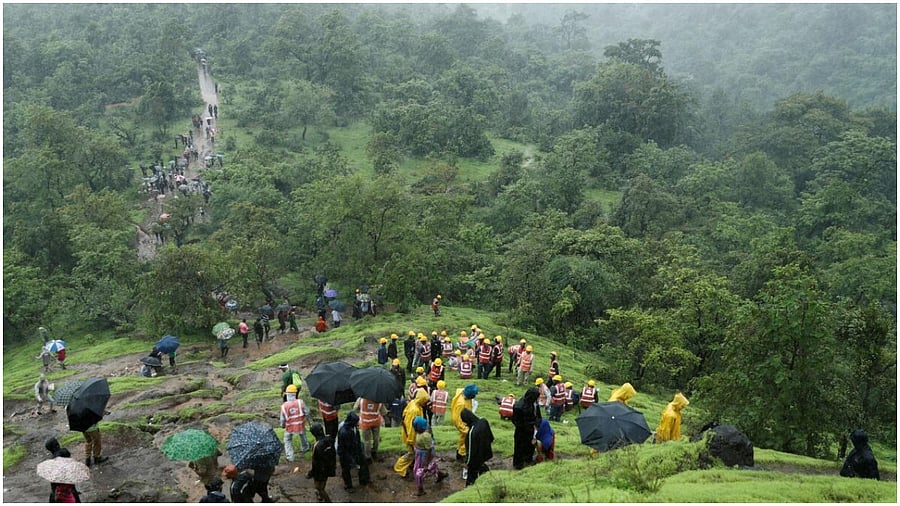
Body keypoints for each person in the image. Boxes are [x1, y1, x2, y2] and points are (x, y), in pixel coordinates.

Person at [393, 389, 430, 477]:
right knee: (411, 453)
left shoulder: (415, 404)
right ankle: (399, 467)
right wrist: (412, 440)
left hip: (411, 434)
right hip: (410, 436)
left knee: (413, 453)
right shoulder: (414, 410)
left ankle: (411, 465)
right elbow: (410, 427)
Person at [412, 416, 448, 496]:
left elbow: (429, 450)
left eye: (415, 427)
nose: (414, 429)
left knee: (418, 471)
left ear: (419, 427)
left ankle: (420, 489)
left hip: (423, 455)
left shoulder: (425, 436)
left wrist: (425, 462)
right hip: (421, 454)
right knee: (431, 465)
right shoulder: (422, 431)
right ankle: (440, 474)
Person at [337, 412, 369, 490]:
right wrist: (352, 459)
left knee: (363, 463)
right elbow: (346, 447)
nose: (358, 423)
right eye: (356, 422)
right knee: (346, 469)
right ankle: (348, 486)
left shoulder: (353, 427)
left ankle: (363, 480)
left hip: (355, 449)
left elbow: (356, 439)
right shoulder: (344, 432)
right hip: (345, 453)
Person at [460, 408, 493, 485]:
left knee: (471, 477)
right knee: (482, 468)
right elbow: (491, 437)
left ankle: (469, 489)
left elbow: (471, 452)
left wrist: (467, 462)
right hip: (486, 452)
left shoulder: (472, 433)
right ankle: (487, 477)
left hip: (476, 459)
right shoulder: (484, 421)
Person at [512, 387, 541, 469]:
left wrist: (537, 423)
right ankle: (518, 464)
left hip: (531, 429)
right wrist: (531, 424)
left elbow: (538, 415)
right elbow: (516, 421)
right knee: (519, 447)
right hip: (521, 430)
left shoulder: (534, 403)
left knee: (530, 446)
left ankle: (528, 460)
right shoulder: (518, 406)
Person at [45, 438, 81, 503]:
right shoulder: (64, 451)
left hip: (58, 483)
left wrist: (53, 492)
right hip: (68, 478)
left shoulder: (52, 460)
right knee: (73, 491)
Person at [281, 384, 311, 462]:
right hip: (300, 424)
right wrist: (307, 419)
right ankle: (305, 447)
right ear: (295, 394)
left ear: (287, 394)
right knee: (302, 435)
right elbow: (307, 412)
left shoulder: (284, 406)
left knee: (287, 440)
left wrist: (282, 425)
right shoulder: (300, 402)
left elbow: (282, 419)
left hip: (289, 427)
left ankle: (290, 456)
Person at [307, 423, 336, 502]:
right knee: (322, 485)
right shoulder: (329, 439)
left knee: (319, 488)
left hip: (320, 471)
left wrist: (311, 473)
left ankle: (328, 501)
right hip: (329, 467)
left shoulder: (317, 446)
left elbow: (315, 462)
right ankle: (321, 497)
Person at [450, 384, 478, 462]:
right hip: (462, 424)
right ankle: (462, 454)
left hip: (466, 421)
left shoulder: (462, 393)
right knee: (466, 438)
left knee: (462, 438)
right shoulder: (461, 403)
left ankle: (459, 452)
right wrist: (464, 429)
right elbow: (456, 418)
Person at [354, 396, 387, 462]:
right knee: (376, 439)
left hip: (365, 422)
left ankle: (368, 457)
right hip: (376, 422)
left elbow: (355, 409)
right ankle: (374, 452)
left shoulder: (361, 399)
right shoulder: (379, 400)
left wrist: (361, 411)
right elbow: (384, 412)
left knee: (367, 441)